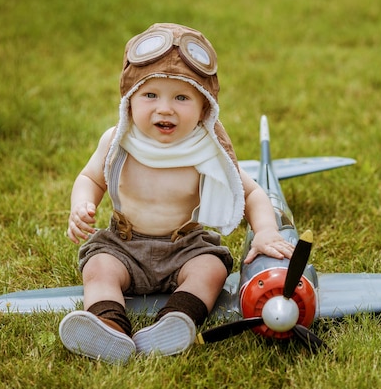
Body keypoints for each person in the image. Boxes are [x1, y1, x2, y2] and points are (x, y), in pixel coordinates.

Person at [59, 23, 294, 364]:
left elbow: (253, 193)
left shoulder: (206, 152)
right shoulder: (117, 142)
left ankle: (177, 319)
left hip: (184, 246)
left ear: (203, 107)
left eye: (181, 97)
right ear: (129, 100)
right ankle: (107, 323)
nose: (165, 109)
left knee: (211, 269)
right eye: (150, 95)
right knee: (99, 267)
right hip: (124, 243)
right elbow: (91, 178)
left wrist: (266, 233)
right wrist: (82, 203)